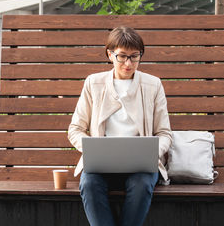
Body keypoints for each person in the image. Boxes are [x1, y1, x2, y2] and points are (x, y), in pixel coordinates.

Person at [68, 26, 172, 226]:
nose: (128, 63)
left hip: (140, 166)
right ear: (110, 54)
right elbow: (75, 129)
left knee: (142, 184)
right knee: (89, 184)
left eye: (135, 56)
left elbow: (164, 132)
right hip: (101, 164)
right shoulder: (94, 83)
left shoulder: (153, 85)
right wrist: (92, 149)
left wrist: (152, 152)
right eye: (122, 56)